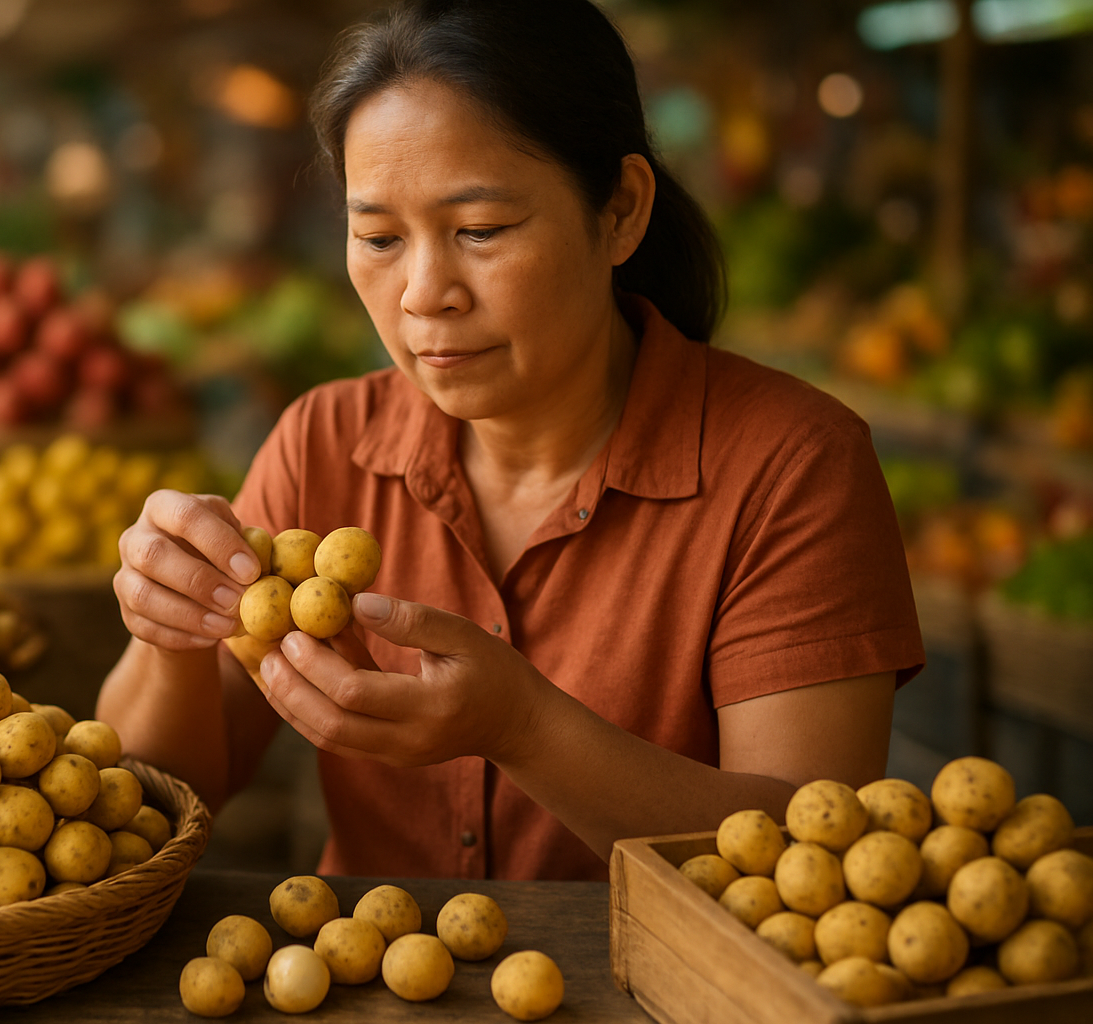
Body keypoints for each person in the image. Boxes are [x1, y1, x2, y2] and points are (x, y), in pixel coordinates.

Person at [97, 0, 924, 881]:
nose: (423, 294)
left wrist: (521, 728)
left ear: (620, 212)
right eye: (378, 237)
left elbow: (817, 865)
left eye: (480, 231)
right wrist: (167, 633)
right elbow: (152, 806)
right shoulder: (321, 442)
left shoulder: (793, 468)